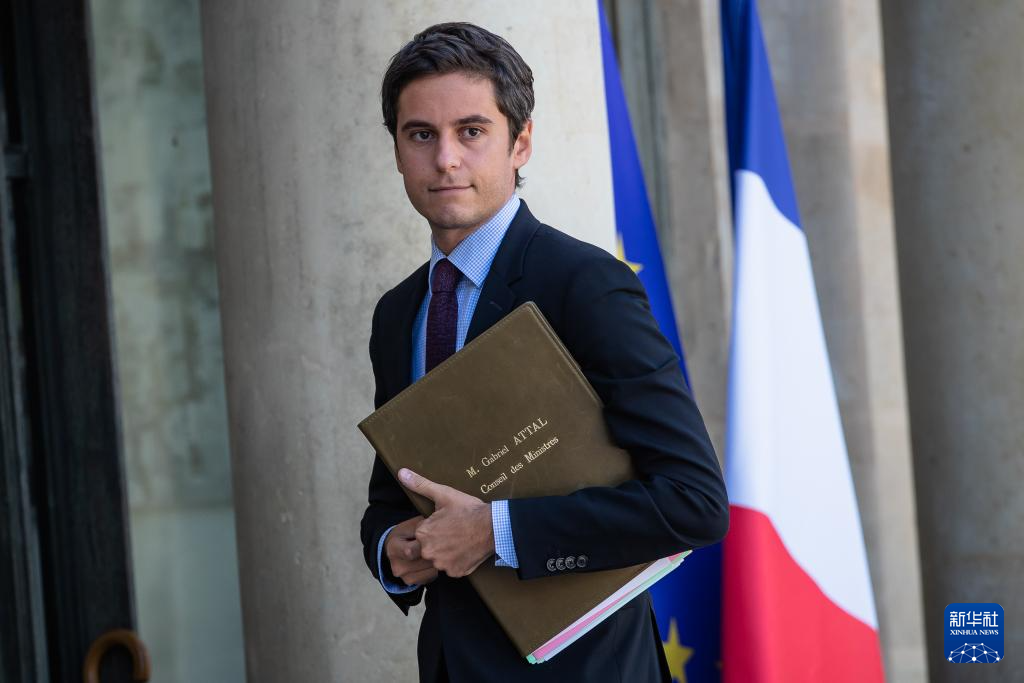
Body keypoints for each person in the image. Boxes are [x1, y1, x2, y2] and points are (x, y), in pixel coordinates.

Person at [360, 22, 728, 683]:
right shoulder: (397, 314)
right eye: (421, 135)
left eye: (472, 131)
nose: (446, 159)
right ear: (397, 151)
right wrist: (393, 547)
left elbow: (692, 500)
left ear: (520, 141)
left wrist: (493, 531)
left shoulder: (584, 284)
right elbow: (393, 495)